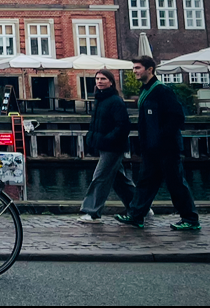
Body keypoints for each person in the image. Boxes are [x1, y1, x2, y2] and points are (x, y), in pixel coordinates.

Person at [116, 54, 200, 233]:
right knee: (146, 182)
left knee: (176, 183)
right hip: (151, 148)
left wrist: (162, 138)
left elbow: (177, 117)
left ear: (149, 69)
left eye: (138, 68)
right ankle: (136, 216)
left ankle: (190, 219)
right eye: (134, 68)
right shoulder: (145, 91)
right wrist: (144, 144)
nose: (135, 72)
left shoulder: (162, 91)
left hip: (166, 148)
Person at [78, 70, 133, 220]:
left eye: (103, 78)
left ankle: (92, 211)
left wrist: (108, 139)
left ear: (111, 82)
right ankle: (140, 208)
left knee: (100, 177)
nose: (99, 81)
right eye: (97, 78)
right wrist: (92, 138)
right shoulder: (100, 99)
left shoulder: (115, 101)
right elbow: (96, 124)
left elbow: (123, 125)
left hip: (113, 147)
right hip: (104, 145)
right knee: (119, 179)